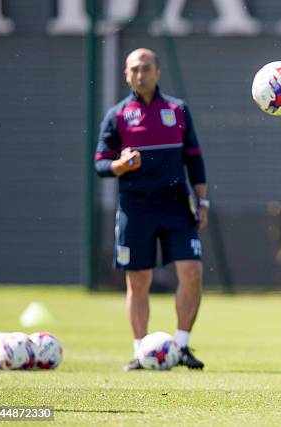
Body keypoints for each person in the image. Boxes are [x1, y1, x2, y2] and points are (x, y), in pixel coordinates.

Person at [95, 48, 209, 371]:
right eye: (134, 69)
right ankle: (140, 351)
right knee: (139, 280)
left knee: (192, 272)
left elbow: (194, 160)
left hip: (176, 206)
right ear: (126, 75)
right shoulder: (117, 116)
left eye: (147, 68)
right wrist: (120, 164)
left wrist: (201, 201)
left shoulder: (178, 110)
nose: (141, 74)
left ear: (158, 72)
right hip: (136, 209)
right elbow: (100, 164)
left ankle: (183, 345)